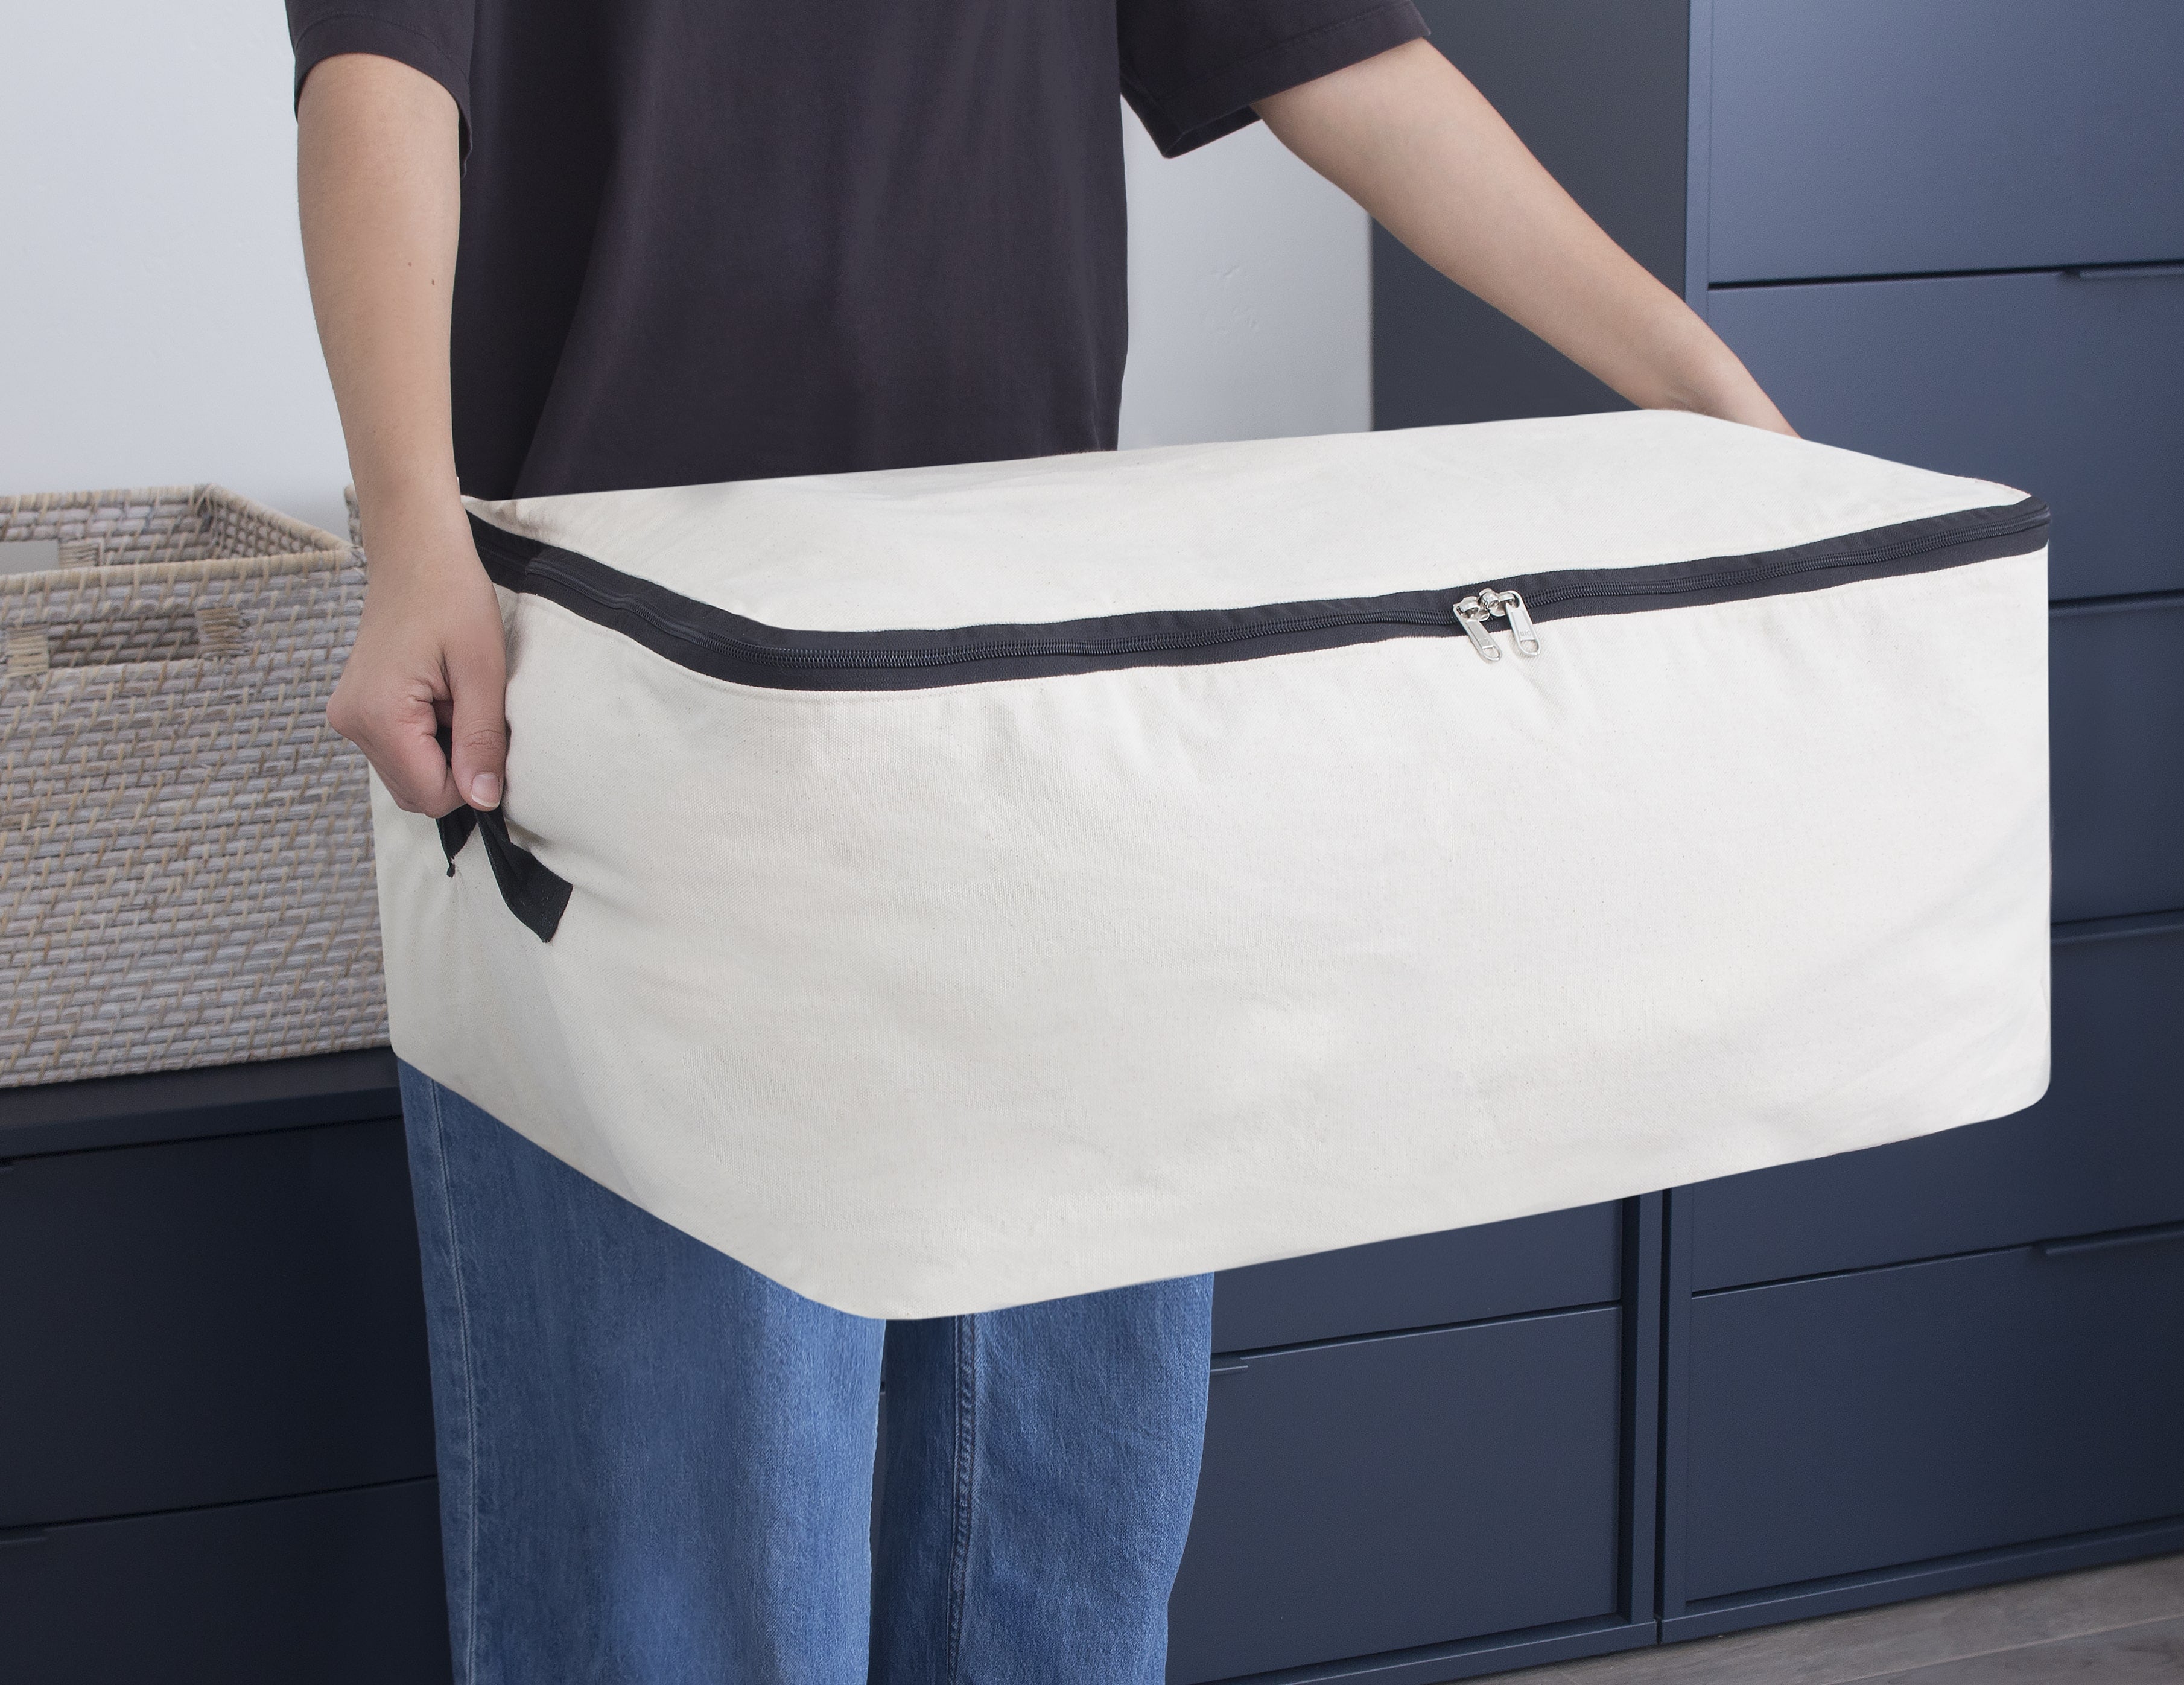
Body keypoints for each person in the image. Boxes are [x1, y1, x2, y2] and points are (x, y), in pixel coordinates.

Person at [286, 2, 1793, 1678]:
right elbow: (381, 72)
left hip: (1021, 689)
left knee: (1058, 1535)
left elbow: (1332, 54)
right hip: (641, 689)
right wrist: (411, 535)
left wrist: (1701, 390)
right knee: (690, 1567)